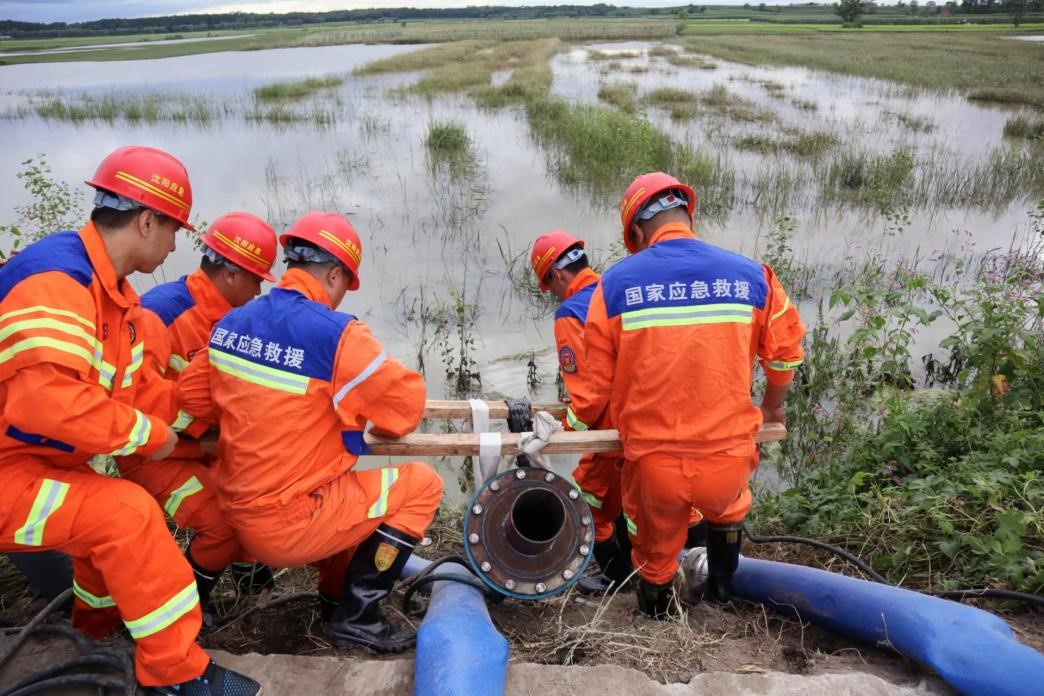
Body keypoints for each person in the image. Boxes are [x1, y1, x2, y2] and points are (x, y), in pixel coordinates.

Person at [0, 145, 259, 694]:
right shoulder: (57, 281)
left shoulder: (115, 303)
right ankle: (177, 674)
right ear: (146, 220)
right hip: (10, 470)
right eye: (173, 231)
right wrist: (154, 438)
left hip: (34, 465)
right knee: (126, 514)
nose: (173, 246)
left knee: (98, 534)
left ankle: (95, 634)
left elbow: (144, 392)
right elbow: (46, 402)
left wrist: (215, 429)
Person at [177, 211, 443, 653]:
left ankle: (334, 597)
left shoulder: (233, 323)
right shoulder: (339, 336)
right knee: (421, 485)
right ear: (335, 274)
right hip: (290, 525)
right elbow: (404, 412)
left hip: (235, 511)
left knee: (345, 485)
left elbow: (192, 397)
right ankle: (359, 618)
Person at [564, 172, 805, 619]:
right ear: (688, 215)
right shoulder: (754, 277)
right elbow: (786, 356)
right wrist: (771, 406)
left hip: (656, 464)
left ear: (636, 231)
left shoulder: (614, 287)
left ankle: (657, 621)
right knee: (728, 512)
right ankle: (720, 595)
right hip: (728, 456)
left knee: (654, 555)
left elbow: (594, 389)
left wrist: (574, 429)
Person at [122, 212, 280, 622]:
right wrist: (205, 433)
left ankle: (250, 585)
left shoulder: (233, 318)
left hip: (201, 447)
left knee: (252, 498)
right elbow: (134, 403)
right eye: (256, 279)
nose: (260, 289)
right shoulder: (162, 315)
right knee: (224, 521)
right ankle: (189, 607)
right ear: (230, 272)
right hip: (155, 454)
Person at [531, 230, 707, 595]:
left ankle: (621, 578)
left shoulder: (571, 312)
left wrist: (565, 430)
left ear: (558, 276)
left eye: (551, 285)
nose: (555, 294)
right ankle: (706, 566)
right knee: (678, 497)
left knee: (590, 502)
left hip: (615, 427)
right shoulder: (621, 290)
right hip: (662, 416)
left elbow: (590, 394)